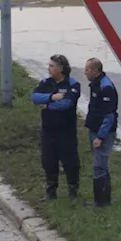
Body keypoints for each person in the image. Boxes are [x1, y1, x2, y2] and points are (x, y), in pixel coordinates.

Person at [31, 54, 83, 200]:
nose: (49, 68)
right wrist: (51, 98)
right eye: (49, 66)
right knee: (48, 161)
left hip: (66, 131)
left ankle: (73, 191)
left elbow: (66, 104)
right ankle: (50, 192)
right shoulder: (46, 83)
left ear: (61, 68)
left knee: (70, 162)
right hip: (48, 130)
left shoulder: (72, 85)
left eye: (52, 66)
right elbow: (34, 97)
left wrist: (47, 105)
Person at [84, 57, 118, 208]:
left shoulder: (106, 87)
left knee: (99, 166)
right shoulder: (96, 84)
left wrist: (100, 137)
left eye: (87, 70)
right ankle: (104, 200)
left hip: (102, 133)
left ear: (95, 71)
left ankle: (100, 203)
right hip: (95, 130)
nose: (85, 72)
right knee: (101, 165)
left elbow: (109, 115)